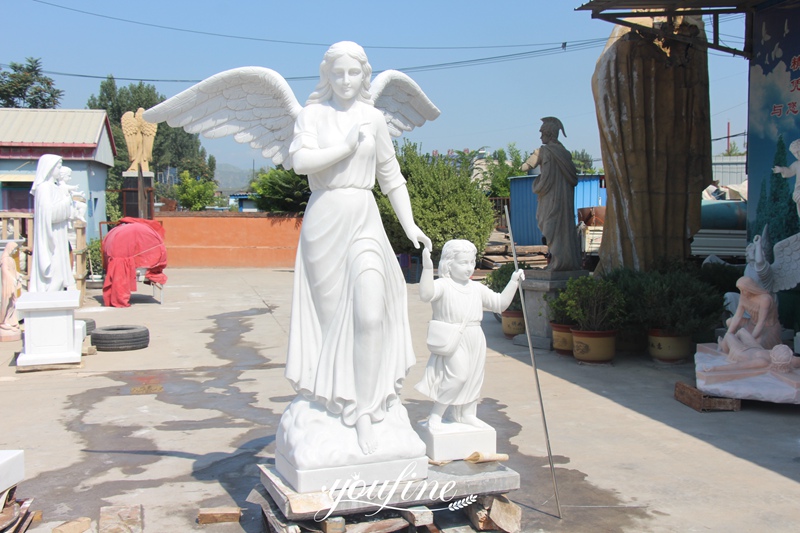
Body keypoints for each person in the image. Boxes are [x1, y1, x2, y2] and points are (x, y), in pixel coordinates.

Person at [284, 42, 431, 455]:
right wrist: (346, 147)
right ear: (326, 75)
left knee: (369, 315)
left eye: (354, 73)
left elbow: (390, 175)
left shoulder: (373, 118)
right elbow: (301, 163)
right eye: (338, 73)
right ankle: (335, 405)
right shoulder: (311, 115)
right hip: (325, 224)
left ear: (364, 75)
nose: (346, 81)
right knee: (334, 328)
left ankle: (365, 412)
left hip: (364, 219)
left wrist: (410, 224)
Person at [415, 240, 523, 429]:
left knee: (473, 377)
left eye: (471, 262)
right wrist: (426, 268)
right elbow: (425, 294)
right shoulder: (443, 285)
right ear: (449, 264)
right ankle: (436, 414)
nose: (469, 268)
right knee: (458, 376)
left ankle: (466, 414)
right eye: (463, 263)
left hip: (475, 336)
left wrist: (513, 282)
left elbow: (499, 304)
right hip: (454, 336)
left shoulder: (476, 288)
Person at [521, 117, 582, 271]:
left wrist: (534, 156)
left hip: (552, 198)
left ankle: (559, 263)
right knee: (556, 228)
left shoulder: (544, 151)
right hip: (562, 199)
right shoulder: (564, 153)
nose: (540, 136)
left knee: (550, 226)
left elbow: (524, 167)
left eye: (542, 133)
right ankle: (559, 261)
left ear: (549, 134)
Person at [29, 154, 77, 293]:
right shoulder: (44, 188)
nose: (60, 170)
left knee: (61, 272)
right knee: (55, 272)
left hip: (59, 233)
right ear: (49, 168)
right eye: (58, 167)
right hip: (52, 236)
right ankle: (49, 293)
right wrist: (66, 202)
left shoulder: (55, 187)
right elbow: (49, 214)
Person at [721, 275, 782, 352]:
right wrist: (728, 335)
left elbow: (761, 322)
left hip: (767, 327)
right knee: (729, 321)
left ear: (750, 288)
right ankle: (736, 341)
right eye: (740, 290)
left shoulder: (765, 299)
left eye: (744, 290)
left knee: (758, 343)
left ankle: (743, 341)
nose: (742, 292)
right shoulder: (744, 297)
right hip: (752, 323)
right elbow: (737, 316)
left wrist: (749, 340)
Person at [772, 138, 800, 219]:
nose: (797, 155)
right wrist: (781, 170)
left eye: (799, 151)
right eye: (795, 153)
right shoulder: (797, 164)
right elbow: (790, 171)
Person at [0, 242, 21, 339]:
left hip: (12, 283)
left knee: (13, 302)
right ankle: (4, 321)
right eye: (14, 249)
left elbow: (13, 270)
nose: (15, 251)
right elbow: (5, 271)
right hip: (8, 284)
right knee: (8, 301)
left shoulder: (11, 259)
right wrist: (11, 278)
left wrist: (17, 275)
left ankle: (10, 320)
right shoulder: (4, 259)